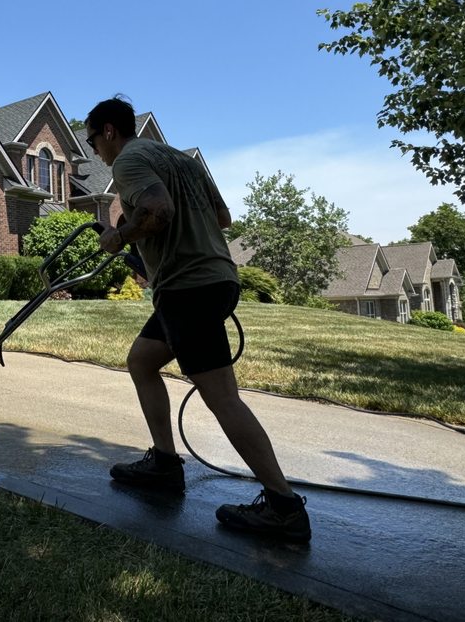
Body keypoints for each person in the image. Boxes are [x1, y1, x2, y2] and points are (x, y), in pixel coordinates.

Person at [84, 95, 311, 543]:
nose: (94, 150)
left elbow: (160, 211)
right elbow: (222, 217)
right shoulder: (182, 160)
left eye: (92, 140)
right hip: (209, 278)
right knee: (142, 361)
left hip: (190, 287)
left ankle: (284, 507)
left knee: (222, 397)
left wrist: (120, 235)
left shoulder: (128, 162)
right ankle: (166, 465)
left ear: (109, 131)